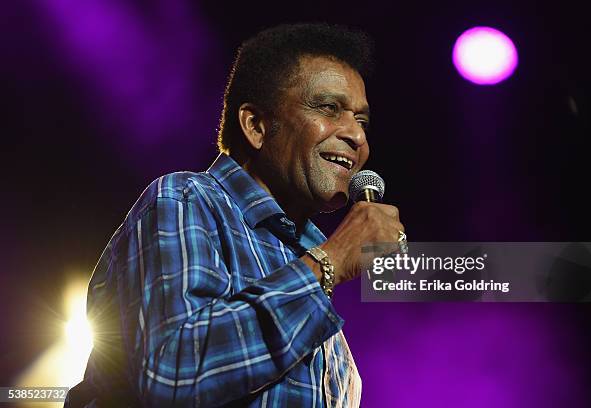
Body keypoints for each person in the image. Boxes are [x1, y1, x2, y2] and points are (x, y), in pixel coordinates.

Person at [66, 23, 404, 407]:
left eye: (362, 121)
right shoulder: (185, 199)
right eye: (329, 108)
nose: (356, 137)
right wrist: (333, 259)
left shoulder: (303, 258)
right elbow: (176, 374)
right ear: (256, 126)